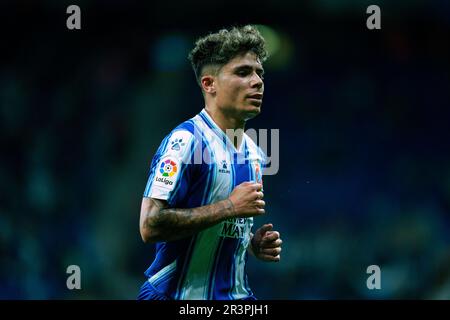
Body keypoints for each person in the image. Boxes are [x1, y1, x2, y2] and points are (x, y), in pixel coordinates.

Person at [138, 25, 282, 300]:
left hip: (237, 297)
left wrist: (251, 246)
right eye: (243, 72)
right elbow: (150, 224)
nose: (257, 81)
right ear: (209, 84)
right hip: (178, 296)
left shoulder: (254, 151)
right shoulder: (185, 142)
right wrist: (230, 206)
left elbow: (224, 227)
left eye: (259, 72)